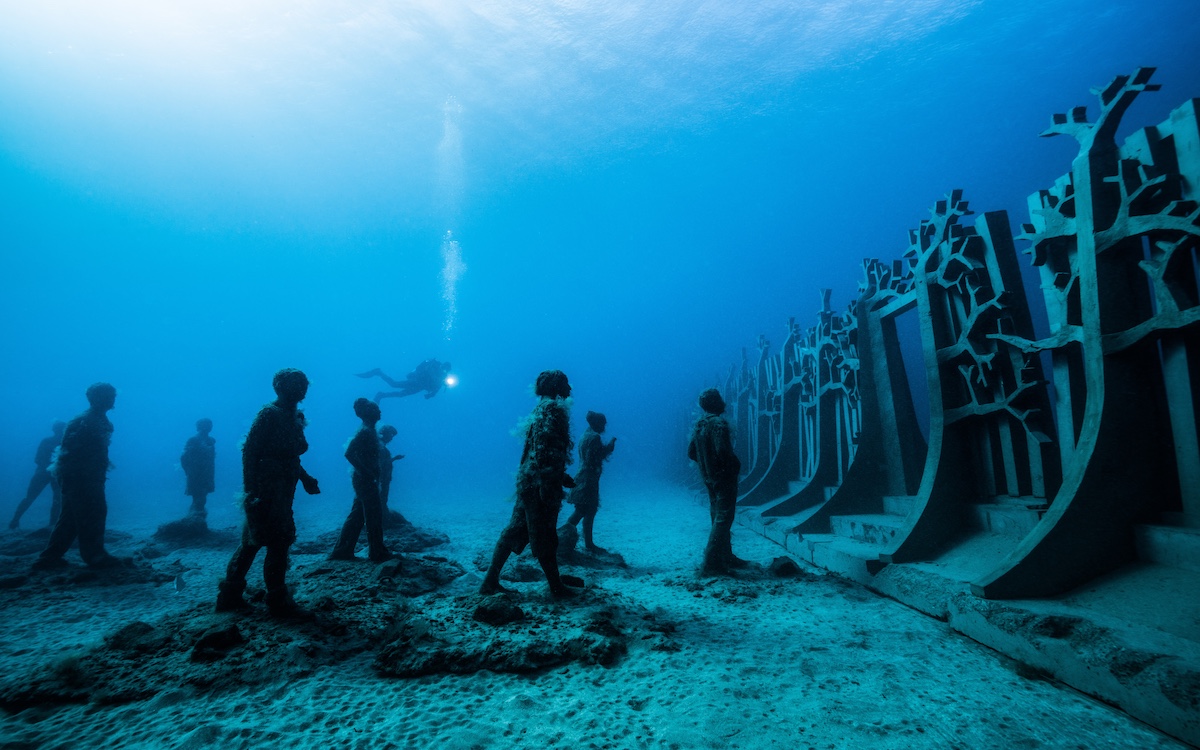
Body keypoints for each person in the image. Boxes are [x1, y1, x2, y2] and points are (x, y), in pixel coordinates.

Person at [216, 369, 321, 617]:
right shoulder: (269, 414)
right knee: (266, 540)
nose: (302, 388)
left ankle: (238, 594)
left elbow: (290, 456)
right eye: (296, 384)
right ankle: (273, 598)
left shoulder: (293, 415)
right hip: (267, 488)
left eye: (304, 384)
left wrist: (305, 478)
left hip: (284, 487)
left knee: (266, 540)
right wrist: (251, 492)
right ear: (280, 387)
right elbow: (250, 451)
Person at [480, 369, 584, 598]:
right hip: (539, 484)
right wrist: (551, 481)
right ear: (556, 386)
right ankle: (556, 587)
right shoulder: (552, 409)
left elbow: (538, 450)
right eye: (566, 383)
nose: (570, 388)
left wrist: (556, 475)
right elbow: (544, 450)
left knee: (515, 530)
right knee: (546, 533)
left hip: (530, 480)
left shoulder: (542, 408)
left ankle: (489, 581)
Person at [33, 383, 122, 569]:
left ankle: (49, 558)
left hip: (87, 476)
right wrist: (75, 479)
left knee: (71, 517)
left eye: (112, 396)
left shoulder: (99, 420)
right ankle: (94, 555)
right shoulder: (87, 420)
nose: (112, 399)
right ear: (95, 398)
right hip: (81, 478)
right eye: (108, 396)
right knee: (94, 512)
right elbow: (69, 453)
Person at [687, 388, 747, 575]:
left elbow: (691, 452)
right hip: (723, 477)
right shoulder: (718, 424)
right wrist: (733, 466)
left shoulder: (700, 424)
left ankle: (725, 556)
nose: (724, 402)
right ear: (715, 402)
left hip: (709, 478)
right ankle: (712, 562)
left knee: (717, 515)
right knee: (724, 518)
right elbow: (723, 452)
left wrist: (707, 467)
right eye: (720, 399)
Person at [330, 398, 395, 562]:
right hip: (364, 481)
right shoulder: (365, 431)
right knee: (373, 515)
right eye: (377, 409)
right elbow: (349, 453)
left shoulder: (369, 430)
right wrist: (366, 473)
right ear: (370, 413)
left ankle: (342, 550)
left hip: (363, 480)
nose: (380, 412)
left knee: (357, 515)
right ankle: (377, 552)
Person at [561, 411, 617, 553]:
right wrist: (609, 447)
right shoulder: (595, 437)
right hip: (588, 479)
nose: (604, 426)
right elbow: (595, 458)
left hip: (584, 477)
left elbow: (590, 457)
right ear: (597, 423)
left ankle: (584, 542)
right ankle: (565, 538)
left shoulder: (585, 435)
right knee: (584, 510)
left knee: (586, 510)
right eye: (603, 424)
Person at [9, 421, 66, 530]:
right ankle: (52, 524)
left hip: (43, 473)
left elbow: (37, 459)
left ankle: (15, 521)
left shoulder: (47, 441)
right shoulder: (65, 443)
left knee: (31, 497)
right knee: (57, 499)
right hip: (54, 473)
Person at [356, 359, 452, 402]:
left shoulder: (442, 378)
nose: (443, 370)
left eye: (445, 370)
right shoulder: (434, 366)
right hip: (416, 381)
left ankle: (381, 395)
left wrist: (430, 395)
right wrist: (438, 380)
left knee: (401, 395)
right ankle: (379, 372)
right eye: (443, 367)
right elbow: (429, 373)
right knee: (394, 384)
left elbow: (435, 390)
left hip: (420, 387)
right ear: (441, 364)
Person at [180, 418, 216, 522]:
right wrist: (188, 472)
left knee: (202, 497)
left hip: (207, 474)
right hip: (196, 474)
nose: (210, 427)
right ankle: (195, 520)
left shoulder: (211, 440)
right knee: (198, 498)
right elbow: (184, 457)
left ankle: (195, 520)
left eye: (210, 424)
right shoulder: (193, 440)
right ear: (200, 426)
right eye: (207, 424)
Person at [378, 424, 406, 528]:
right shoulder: (380, 447)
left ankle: (383, 521)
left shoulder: (380, 446)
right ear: (384, 434)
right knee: (382, 500)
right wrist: (394, 459)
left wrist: (394, 458)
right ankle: (384, 523)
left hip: (383, 480)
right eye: (391, 435)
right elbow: (380, 463)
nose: (391, 438)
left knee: (382, 500)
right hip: (382, 480)